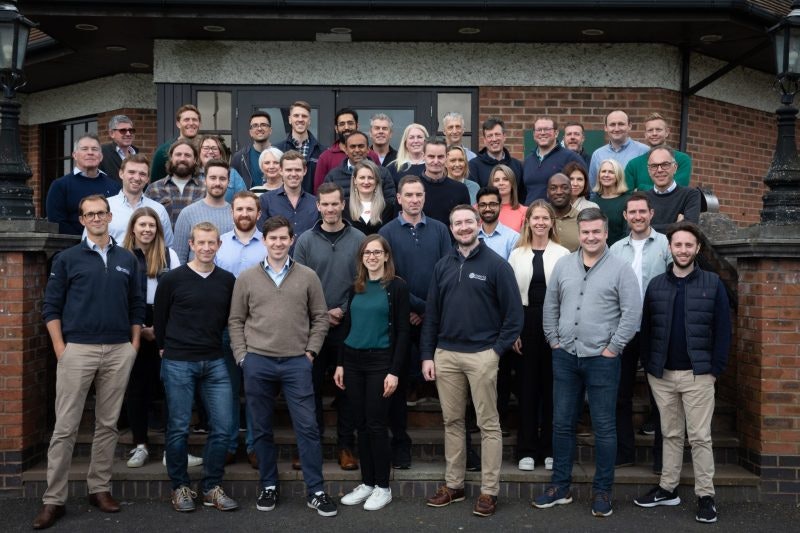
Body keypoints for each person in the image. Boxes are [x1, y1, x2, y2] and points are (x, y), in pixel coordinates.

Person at [35, 194, 144, 530]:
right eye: (89, 214)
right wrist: (61, 349)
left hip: (117, 351)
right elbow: (50, 307)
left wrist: (133, 346)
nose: (96, 218)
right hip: (76, 351)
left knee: (107, 424)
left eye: (101, 213)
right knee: (65, 428)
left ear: (110, 216)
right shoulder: (67, 259)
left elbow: (137, 306)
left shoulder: (128, 258)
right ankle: (54, 499)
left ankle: (100, 488)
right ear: (82, 220)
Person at [228, 215, 338, 517]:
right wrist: (242, 356)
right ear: (264, 240)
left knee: (308, 428)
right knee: (261, 429)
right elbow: (236, 320)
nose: (278, 243)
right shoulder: (247, 278)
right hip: (258, 362)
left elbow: (321, 317)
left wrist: (311, 352)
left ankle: (315, 490)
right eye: (272, 238)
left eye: (283, 238)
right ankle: (268, 485)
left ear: (292, 240)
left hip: (296, 363)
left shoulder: (307, 276)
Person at [535, 208, 641, 518]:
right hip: (566, 356)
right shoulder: (564, 265)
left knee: (605, 428)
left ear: (606, 233)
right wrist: (554, 340)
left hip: (602, 360)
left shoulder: (621, 269)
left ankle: (603, 490)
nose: (591, 237)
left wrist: (613, 348)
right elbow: (550, 304)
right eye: (585, 232)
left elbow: (631, 314)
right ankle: (560, 487)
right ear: (579, 233)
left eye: (596, 232)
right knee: (562, 423)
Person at [421, 204, 523, 518]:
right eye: (457, 223)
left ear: (478, 224)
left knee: (488, 425)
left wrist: (495, 352)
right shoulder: (443, 265)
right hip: (447, 355)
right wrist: (428, 354)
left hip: (482, 355)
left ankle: (489, 491)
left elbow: (514, 316)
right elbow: (431, 316)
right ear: (450, 229)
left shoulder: (496, 265)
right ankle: (454, 485)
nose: (464, 227)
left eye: (468, 222)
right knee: (452, 422)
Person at [634, 221, 731, 524]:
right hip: (662, 375)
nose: (683, 250)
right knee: (670, 434)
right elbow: (646, 330)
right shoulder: (657, 285)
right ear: (670, 248)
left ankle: (706, 495)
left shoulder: (713, 284)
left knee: (700, 437)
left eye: (689, 245)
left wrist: (714, 370)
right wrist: (650, 367)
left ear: (698, 248)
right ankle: (667, 488)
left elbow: (724, 332)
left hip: (698, 375)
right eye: (678, 245)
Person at [154, 221, 238, 513]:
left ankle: (211, 486)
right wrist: (165, 349)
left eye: (211, 243)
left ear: (219, 245)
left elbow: (232, 319)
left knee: (224, 427)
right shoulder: (172, 279)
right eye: (200, 243)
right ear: (190, 244)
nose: (206, 248)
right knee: (178, 428)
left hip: (215, 360)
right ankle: (180, 487)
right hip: (178, 361)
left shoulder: (227, 280)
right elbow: (160, 318)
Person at [379, 175, 451, 468]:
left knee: (448, 381)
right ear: (398, 198)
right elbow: (387, 276)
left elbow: (448, 272)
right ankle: (400, 444)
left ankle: (458, 446)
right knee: (397, 387)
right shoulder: (387, 232)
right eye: (408, 195)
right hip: (400, 317)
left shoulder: (440, 230)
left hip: (435, 316)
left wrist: (427, 309)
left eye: (418, 195)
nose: (414, 200)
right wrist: (412, 306)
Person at [294, 182, 366, 471]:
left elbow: (365, 280)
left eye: (336, 203)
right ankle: (309, 448)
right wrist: (323, 312)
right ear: (318, 206)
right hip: (312, 328)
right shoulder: (305, 241)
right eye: (325, 204)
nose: (331, 209)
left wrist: (342, 310)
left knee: (346, 390)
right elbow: (297, 284)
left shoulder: (359, 238)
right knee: (308, 389)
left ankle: (346, 447)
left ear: (342, 204)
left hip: (349, 326)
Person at [335, 235, 410, 511]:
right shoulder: (356, 287)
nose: (372, 257)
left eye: (377, 252)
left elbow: (403, 332)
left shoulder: (397, 287)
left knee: (377, 424)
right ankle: (366, 482)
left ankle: (382, 486)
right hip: (353, 362)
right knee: (361, 424)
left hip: (381, 362)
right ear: (362, 257)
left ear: (387, 256)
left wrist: (394, 371)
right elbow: (347, 327)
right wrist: (341, 363)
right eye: (367, 253)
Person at [609, 192, 670, 470]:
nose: (637, 216)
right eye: (632, 212)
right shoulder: (615, 249)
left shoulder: (666, 245)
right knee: (620, 394)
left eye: (642, 212)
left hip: (657, 328)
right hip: (623, 329)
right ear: (625, 216)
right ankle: (625, 451)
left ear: (651, 214)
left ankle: (662, 456)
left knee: (661, 395)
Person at [508, 200, 570, 472]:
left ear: (552, 222)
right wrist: (514, 331)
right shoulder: (517, 253)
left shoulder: (564, 253)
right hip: (525, 324)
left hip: (555, 323)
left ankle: (550, 448)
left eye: (546, 218)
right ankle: (527, 449)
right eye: (536, 218)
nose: (541, 222)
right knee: (527, 389)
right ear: (528, 221)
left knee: (552, 390)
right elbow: (510, 297)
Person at [122, 207, 181, 469]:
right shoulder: (121, 256)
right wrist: (138, 328)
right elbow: (117, 296)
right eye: (142, 225)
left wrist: (162, 328)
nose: (147, 229)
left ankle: (173, 448)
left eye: (152, 225)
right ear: (133, 227)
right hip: (132, 322)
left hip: (165, 323)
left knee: (171, 388)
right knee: (137, 388)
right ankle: (140, 444)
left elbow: (180, 293)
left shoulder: (170, 254)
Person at [215, 191, 266, 469]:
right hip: (225, 328)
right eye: (239, 209)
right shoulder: (219, 244)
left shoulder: (268, 244)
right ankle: (229, 444)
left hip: (260, 329)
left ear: (258, 214)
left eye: (250, 209)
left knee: (256, 390)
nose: (244, 214)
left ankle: (256, 446)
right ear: (231, 212)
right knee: (228, 390)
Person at [46, 134, 121, 235]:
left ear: (101, 156)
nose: (90, 153)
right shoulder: (60, 186)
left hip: (110, 246)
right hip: (73, 247)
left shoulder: (115, 187)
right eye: (84, 149)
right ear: (75, 155)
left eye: (94, 149)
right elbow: (57, 223)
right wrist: (87, 241)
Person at [103, 154, 174, 247]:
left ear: (147, 178)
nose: (137, 178)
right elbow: (90, 243)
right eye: (131, 172)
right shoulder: (105, 207)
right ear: (121, 174)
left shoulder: (158, 210)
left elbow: (168, 247)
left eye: (142, 174)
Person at [173, 158, 233, 264]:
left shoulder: (235, 215)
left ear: (228, 181)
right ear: (205, 180)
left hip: (228, 279)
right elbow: (179, 258)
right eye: (213, 178)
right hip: (194, 279)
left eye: (222, 179)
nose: (217, 183)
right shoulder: (188, 213)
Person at [257, 150, 319, 241]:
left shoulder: (315, 203)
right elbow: (261, 235)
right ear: (281, 171)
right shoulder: (265, 200)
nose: (293, 174)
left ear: (304, 171)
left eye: (297, 170)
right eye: (289, 170)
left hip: (310, 255)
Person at [522, 116, 586, 204]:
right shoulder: (528, 161)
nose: (542, 133)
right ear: (534, 134)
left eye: (547, 129)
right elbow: (522, 193)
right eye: (539, 130)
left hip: (559, 216)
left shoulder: (571, 158)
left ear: (556, 133)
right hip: (531, 215)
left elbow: (585, 190)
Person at [314, 108, 380, 190]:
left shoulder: (372, 155)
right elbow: (319, 191)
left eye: (350, 123)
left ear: (357, 125)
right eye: (342, 124)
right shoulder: (325, 158)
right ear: (336, 129)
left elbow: (380, 184)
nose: (346, 127)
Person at [144, 140, 205, 227]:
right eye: (178, 154)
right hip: (164, 240)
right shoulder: (154, 189)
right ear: (171, 158)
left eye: (187, 155)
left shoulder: (204, 189)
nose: (182, 159)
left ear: (195, 159)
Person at [625, 112, 692, 191]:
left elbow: (677, 190)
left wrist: (641, 188)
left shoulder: (682, 160)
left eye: (658, 130)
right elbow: (627, 196)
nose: (654, 133)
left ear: (667, 132)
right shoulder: (633, 165)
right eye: (650, 130)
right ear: (645, 134)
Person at [323, 130, 396, 201]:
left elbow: (390, 202)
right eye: (353, 147)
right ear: (346, 150)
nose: (357, 150)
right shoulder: (333, 176)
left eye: (361, 146)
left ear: (368, 149)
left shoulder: (383, 173)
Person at [644, 147, 702, 232]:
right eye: (654, 166)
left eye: (665, 164)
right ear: (649, 170)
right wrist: (676, 226)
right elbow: (631, 231)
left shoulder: (690, 195)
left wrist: (646, 229)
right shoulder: (642, 198)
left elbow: (689, 230)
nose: (659, 170)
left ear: (675, 168)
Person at [588, 110, 649, 188]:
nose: (616, 129)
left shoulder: (644, 151)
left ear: (629, 126)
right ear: (606, 128)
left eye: (621, 124)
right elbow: (593, 187)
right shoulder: (598, 154)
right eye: (612, 124)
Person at [274, 100, 324, 194]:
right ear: (289, 119)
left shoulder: (322, 152)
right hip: (284, 204)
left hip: (313, 205)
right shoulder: (277, 150)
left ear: (309, 121)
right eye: (296, 116)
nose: (300, 119)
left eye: (304, 116)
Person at [419, 139, 471, 227]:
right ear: (423, 156)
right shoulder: (411, 188)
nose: (436, 161)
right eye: (431, 156)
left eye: (440, 157)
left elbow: (466, 223)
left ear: (446, 157)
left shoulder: (460, 189)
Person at [468, 117, 524, 193]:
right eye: (490, 136)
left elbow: (521, 195)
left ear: (504, 137)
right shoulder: (473, 166)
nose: (494, 139)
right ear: (484, 140)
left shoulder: (517, 165)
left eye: (497, 134)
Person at [343, 159, 396, 235]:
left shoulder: (388, 208)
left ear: (377, 181)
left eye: (370, 178)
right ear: (354, 180)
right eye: (362, 178)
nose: (366, 182)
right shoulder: (344, 207)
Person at [151, 104, 202, 182]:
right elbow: (155, 183)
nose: (191, 123)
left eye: (194, 120)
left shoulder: (206, 150)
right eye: (186, 120)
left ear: (199, 124)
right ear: (178, 124)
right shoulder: (164, 151)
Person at [196, 134, 247, 203]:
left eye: (214, 148)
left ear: (220, 154)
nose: (210, 151)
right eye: (206, 148)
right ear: (199, 152)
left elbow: (244, 199)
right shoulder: (193, 173)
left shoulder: (232, 174)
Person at [592, 159, 632, 246]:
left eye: (611, 172)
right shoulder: (592, 201)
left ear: (618, 176)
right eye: (603, 171)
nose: (606, 175)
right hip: (596, 251)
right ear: (599, 175)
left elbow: (628, 232)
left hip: (620, 251)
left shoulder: (627, 201)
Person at [476, 185, 519, 260]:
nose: (487, 209)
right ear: (477, 207)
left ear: (500, 206)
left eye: (492, 204)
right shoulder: (471, 236)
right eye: (483, 205)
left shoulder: (513, 238)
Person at [232, 111, 272, 189]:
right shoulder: (239, 157)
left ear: (270, 130)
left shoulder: (281, 154)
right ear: (250, 132)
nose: (259, 128)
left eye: (263, 125)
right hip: (248, 200)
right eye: (255, 125)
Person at [546, 173, 580, 252]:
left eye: (564, 188)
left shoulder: (582, 218)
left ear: (571, 191)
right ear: (547, 193)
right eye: (553, 188)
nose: (559, 192)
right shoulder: (538, 219)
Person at [99, 114, 138, 179]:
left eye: (131, 130)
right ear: (112, 133)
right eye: (123, 130)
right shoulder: (102, 153)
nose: (128, 134)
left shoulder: (137, 153)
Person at [489, 164, 526, 232]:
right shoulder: (480, 209)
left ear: (512, 183)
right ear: (491, 184)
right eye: (496, 180)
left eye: (505, 179)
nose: (501, 183)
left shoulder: (524, 211)